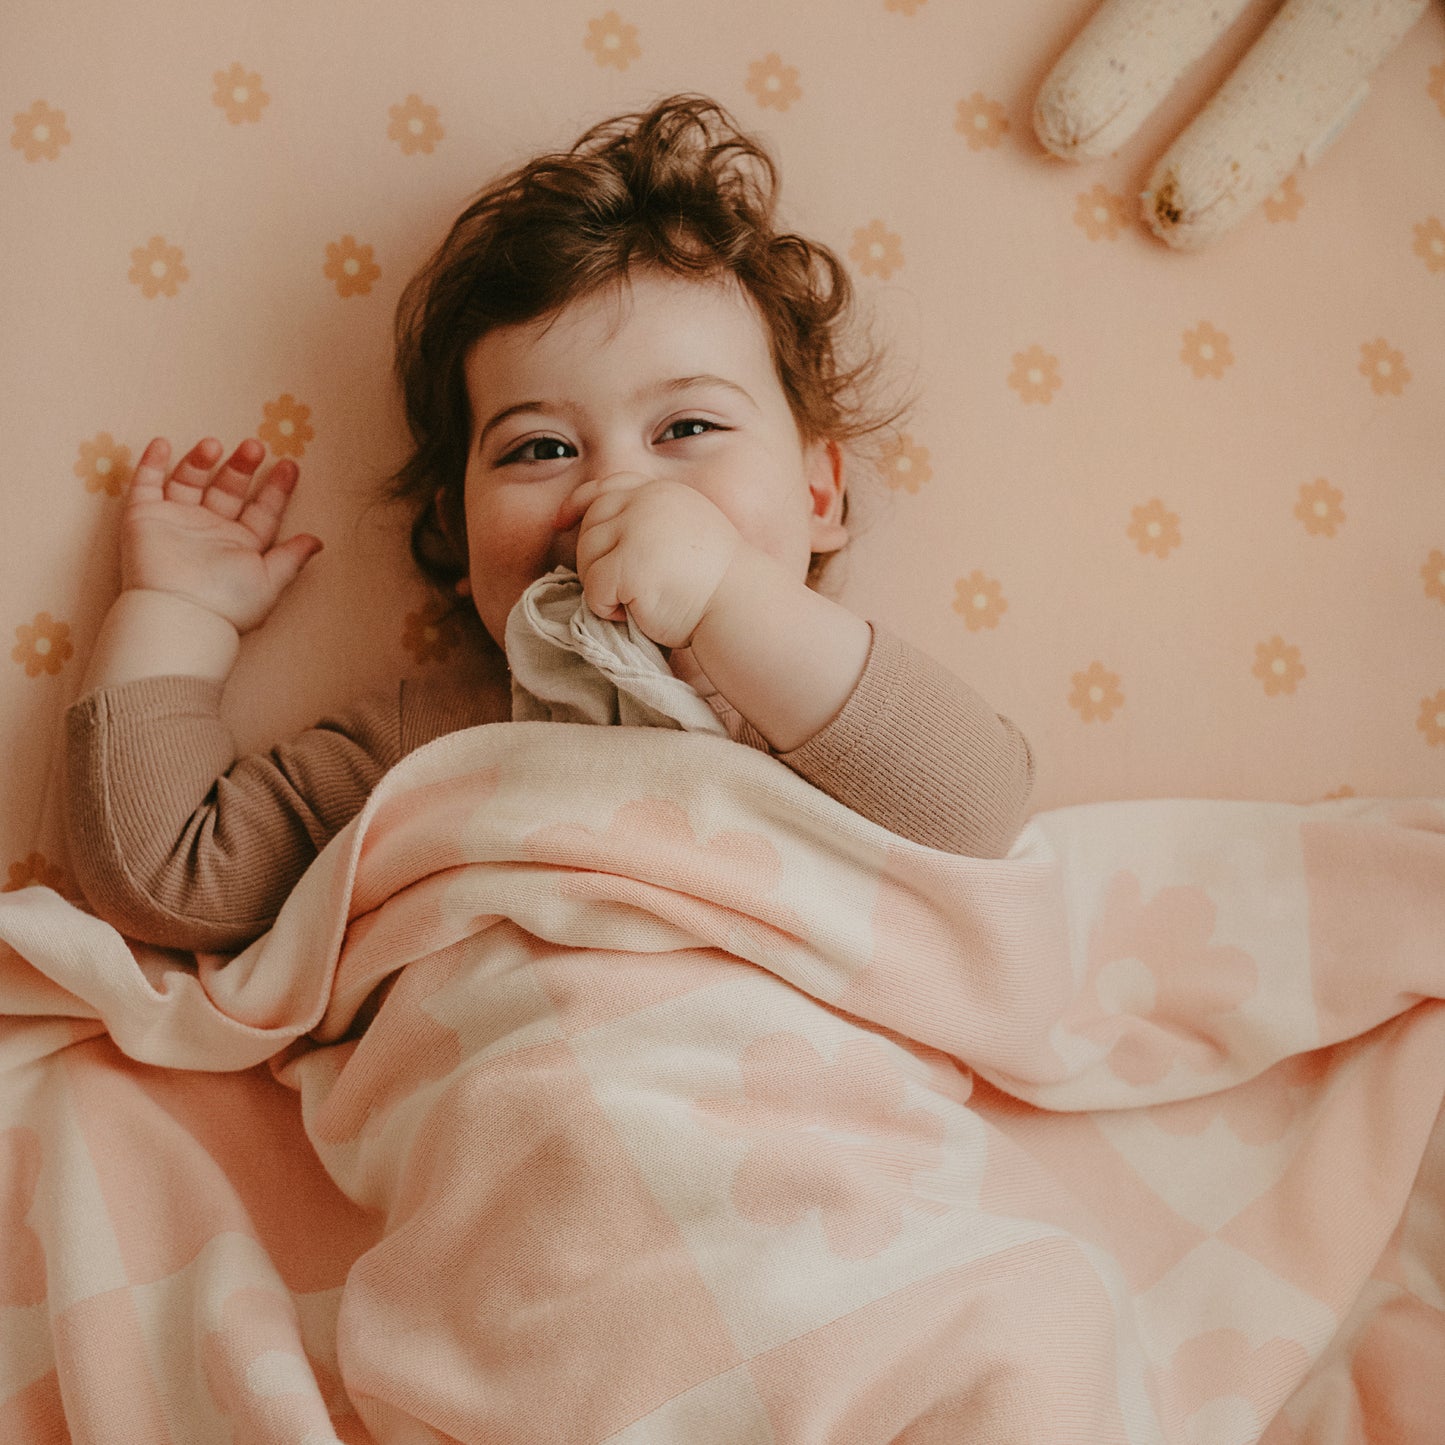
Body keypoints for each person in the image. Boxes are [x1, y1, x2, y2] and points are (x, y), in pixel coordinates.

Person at [63, 94, 1034, 955]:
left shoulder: (826, 714)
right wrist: (176, 609)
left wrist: (729, 596)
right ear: (454, 530)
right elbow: (168, 877)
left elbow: (980, 815)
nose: (611, 488)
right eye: (538, 449)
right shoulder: (433, 741)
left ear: (819, 495)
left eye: (686, 427)